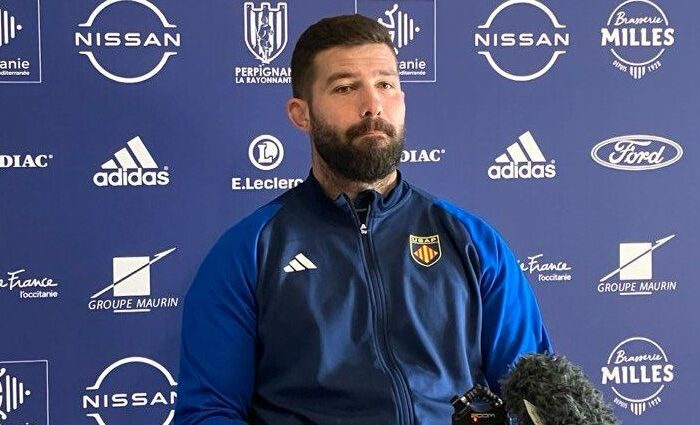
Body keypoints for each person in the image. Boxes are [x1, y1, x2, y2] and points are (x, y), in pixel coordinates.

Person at [175, 14, 552, 425]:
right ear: (301, 114)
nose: (372, 105)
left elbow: (534, 400)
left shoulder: (473, 242)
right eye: (345, 87)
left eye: (385, 84)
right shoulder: (249, 251)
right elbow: (208, 414)